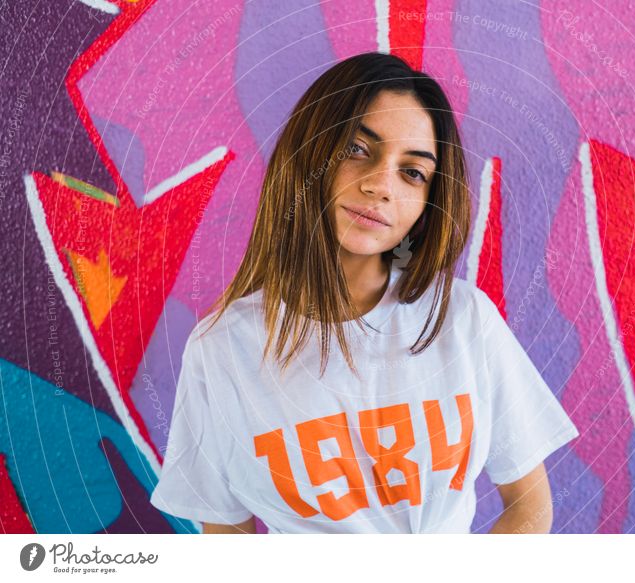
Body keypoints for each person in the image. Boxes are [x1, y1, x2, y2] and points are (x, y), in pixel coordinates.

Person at [149, 51, 578, 534]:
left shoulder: (463, 319)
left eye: (413, 173)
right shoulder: (223, 349)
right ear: (309, 153)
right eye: (357, 149)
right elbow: (226, 534)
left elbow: (531, 506)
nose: (381, 186)